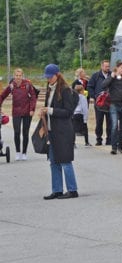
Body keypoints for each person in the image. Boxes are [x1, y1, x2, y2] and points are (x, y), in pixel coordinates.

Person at [40, 64, 79, 199]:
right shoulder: (50, 89)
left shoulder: (65, 90)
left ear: (57, 75)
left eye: (50, 77)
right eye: (47, 77)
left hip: (63, 131)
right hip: (52, 131)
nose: (48, 79)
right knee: (53, 162)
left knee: (65, 161)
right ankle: (57, 190)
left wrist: (50, 110)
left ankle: (72, 190)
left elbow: (68, 112)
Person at [0, 68, 38, 160]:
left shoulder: (28, 84)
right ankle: (17, 152)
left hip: (27, 112)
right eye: (16, 75)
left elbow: (33, 97)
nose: (18, 77)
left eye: (19, 75)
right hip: (16, 112)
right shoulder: (11, 85)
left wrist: (32, 109)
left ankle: (24, 153)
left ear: (22, 76)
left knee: (25, 133)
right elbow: (2, 96)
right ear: (14, 76)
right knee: (17, 132)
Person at [102, 61, 122, 155]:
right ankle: (113, 147)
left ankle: (120, 146)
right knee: (114, 126)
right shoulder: (112, 78)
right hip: (114, 105)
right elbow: (103, 85)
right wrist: (111, 76)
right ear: (117, 68)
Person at [89, 60, 111, 146]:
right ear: (102, 67)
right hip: (99, 103)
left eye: (108, 66)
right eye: (106, 66)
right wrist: (94, 96)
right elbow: (90, 87)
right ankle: (99, 139)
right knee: (99, 122)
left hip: (109, 103)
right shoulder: (96, 76)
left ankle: (109, 139)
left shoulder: (112, 75)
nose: (107, 68)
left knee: (110, 122)